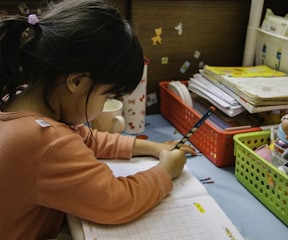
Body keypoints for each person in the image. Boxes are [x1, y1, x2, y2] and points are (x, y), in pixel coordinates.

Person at [0, 0, 196, 239]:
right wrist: (166, 171)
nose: (105, 105)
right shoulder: (46, 141)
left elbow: (82, 138)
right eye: (108, 96)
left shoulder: (20, 95)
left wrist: (151, 147)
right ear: (76, 82)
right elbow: (115, 201)